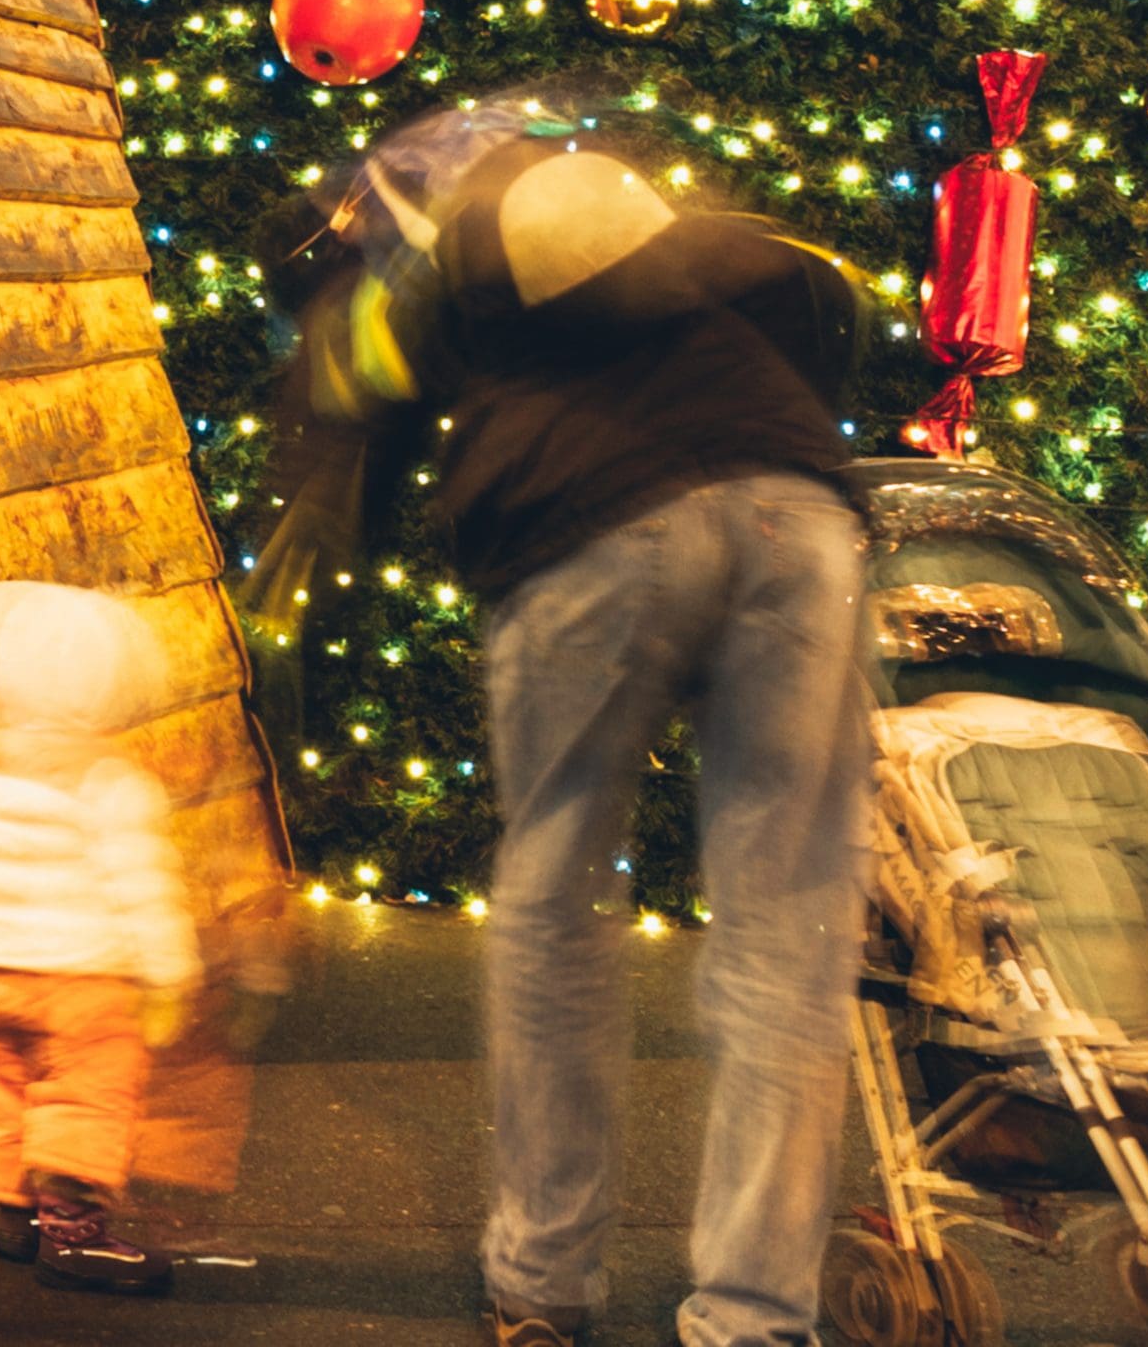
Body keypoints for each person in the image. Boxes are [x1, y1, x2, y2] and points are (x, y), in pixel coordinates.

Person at [247, 86, 866, 1347]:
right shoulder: (642, 222)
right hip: (798, 512)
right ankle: (752, 1315)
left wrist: (302, 540)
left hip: (582, 522)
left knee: (548, 898)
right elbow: (808, 306)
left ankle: (541, 1283)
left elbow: (350, 394)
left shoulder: (423, 250)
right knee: (787, 929)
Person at [0, 581, 222, 1291]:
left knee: (2, 1089)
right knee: (83, 1093)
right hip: (78, 976)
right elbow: (141, 881)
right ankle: (73, 1233)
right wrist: (169, 968)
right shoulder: (107, 777)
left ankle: (17, 1217)